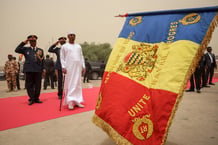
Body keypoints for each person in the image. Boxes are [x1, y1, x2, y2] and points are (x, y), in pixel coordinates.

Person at [15, 35, 45, 105]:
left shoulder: (40, 50)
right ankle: (31, 98)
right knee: (29, 85)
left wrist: (43, 69)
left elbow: (42, 61)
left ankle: (37, 98)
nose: (33, 42)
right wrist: (24, 42)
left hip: (38, 70)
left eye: (34, 41)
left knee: (38, 85)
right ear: (29, 42)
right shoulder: (26, 49)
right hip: (29, 70)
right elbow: (17, 49)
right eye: (31, 41)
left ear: (36, 41)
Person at [60, 32, 85, 110]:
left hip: (78, 68)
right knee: (70, 84)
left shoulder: (78, 46)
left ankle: (77, 101)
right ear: (68, 36)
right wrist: (63, 67)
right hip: (69, 69)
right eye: (71, 35)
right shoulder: (64, 46)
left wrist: (83, 66)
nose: (72, 36)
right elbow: (62, 57)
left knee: (78, 84)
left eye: (74, 35)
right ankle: (70, 102)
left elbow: (81, 56)